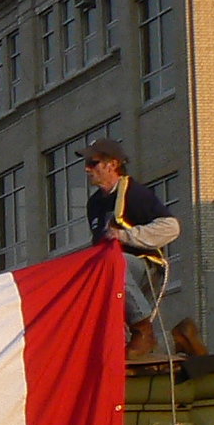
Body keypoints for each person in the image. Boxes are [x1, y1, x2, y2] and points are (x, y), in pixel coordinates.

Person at [83, 139, 183, 360]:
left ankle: (143, 331)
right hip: (115, 273)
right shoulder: (95, 204)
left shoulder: (134, 194)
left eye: (93, 162)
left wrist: (125, 235)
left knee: (113, 262)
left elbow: (171, 227)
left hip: (144, 268)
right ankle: (180, 337)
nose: (87, 168)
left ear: (113, 164)